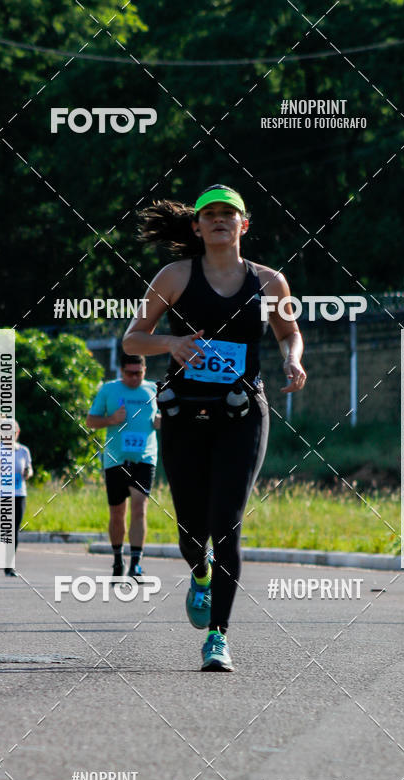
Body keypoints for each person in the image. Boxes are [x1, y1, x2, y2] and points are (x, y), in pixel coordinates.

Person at [123, 184, 306, 672]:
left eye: (230, 214)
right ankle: (199, 574)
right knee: (191, 531)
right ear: (198, 227)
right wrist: (172, 345)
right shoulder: (175, 276)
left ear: (244, 225)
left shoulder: (270, 282)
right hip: (184, 412)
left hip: (243, 413)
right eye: (212, 215)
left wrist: (292, 360)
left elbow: (289, 331)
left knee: (227, 526)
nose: (221, 221)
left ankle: (218, 638)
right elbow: (133, 339)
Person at [86, 352, 160, 578]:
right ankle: (118, 559)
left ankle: (136, 562)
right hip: (115, 459)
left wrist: (161, 421)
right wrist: (110, 420)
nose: (134, 378)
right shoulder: (109, 389)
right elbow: (90, 421)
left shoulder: (154, 390)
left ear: (144, 371)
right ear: (121, 371)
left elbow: (166, 417)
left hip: (145, 458)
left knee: (139, 509)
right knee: (118, 513)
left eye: (138, 373)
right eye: (129, 373)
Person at [4, 420, 33, 578]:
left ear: (17, 433)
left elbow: (29, 469)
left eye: (12, 432)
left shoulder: (23, 451)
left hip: (19, 493)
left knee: (13, 530)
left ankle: (9, 565)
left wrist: (28, 472)